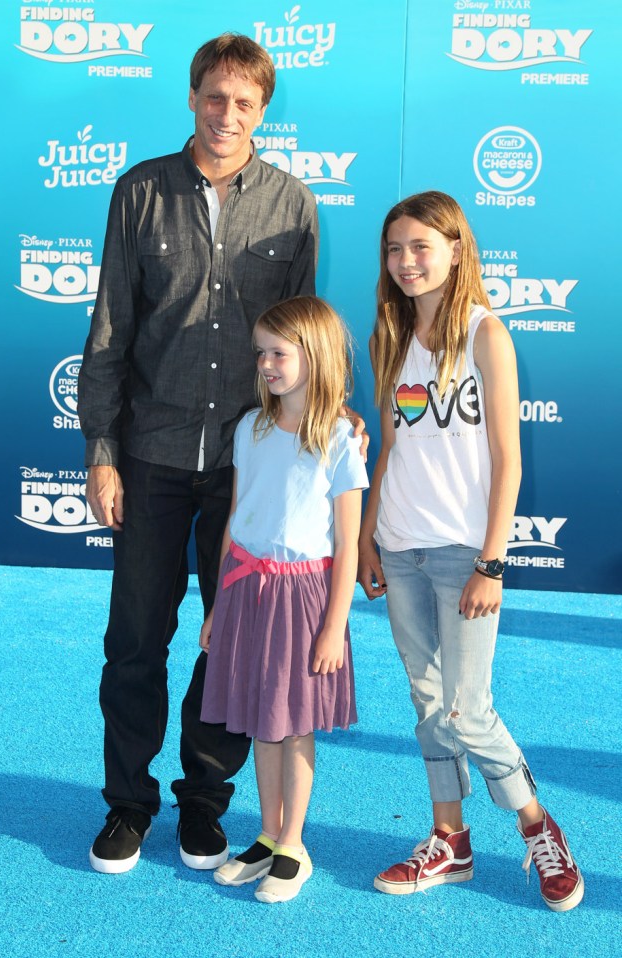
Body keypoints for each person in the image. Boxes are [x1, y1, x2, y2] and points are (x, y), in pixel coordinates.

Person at [78, 33, 320, 875]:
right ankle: (127, 806)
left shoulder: (292, 203)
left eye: (244, 103)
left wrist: (328, 425)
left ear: (263, 110)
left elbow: (306, 341)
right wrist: (102, 452)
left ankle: (205, 805)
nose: (227, 115)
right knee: (137, 639)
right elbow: (108, 331)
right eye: (214, 98)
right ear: (192, 98)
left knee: (234, 644)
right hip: (150, 451)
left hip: (250, 467)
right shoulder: (139, 190)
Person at [357, 191, 583, 912]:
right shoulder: (387, 339)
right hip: (399, 546)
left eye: (421, 246)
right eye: (395, 249)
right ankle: (448, 839)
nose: (406, 262)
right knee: (427, 703)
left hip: (464, 553)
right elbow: (390, 448)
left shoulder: (487, 333)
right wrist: (367, 538)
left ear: (457, 248)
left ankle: (535, 823)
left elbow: (508, 460)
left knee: (466, 708)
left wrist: (492, 560)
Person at [198, 296, 369, 902]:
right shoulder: (252, 427)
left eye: (279, 353)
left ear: (315, 356)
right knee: (260, 722)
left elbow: (348, 545)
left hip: (304, 601)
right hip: (246, 591)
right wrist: (217, 604)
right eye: (261, 353)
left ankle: (294, 844)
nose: (266, 365)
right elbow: (236, 520)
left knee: (293, 724)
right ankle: (268, 835)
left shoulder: (342, 439)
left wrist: (332, 626)